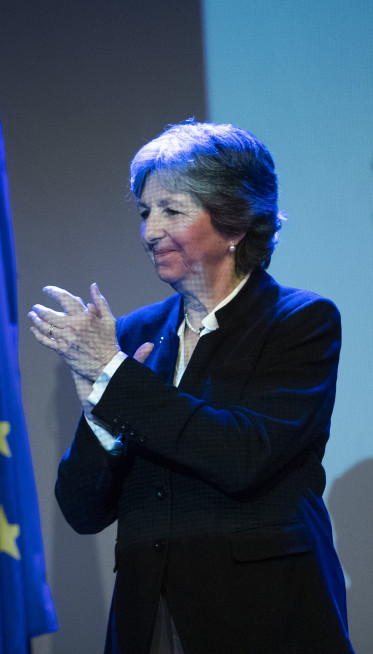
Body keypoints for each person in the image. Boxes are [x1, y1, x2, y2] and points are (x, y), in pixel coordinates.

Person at [28, 121, 353, 653]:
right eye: (144, 212)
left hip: (263, 617)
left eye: (171, 210)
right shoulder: (133, 335)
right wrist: (100, 417)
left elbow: (242, 453)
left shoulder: (300, 322)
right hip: (148, 616)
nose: (149, 231)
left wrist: (113, 375)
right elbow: (83, 511)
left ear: (235, 224)